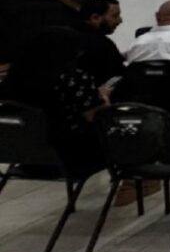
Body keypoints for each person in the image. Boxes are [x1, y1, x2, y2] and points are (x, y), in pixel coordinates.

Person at [0, 26, 108, 177]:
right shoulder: (74, 77)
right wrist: (104, 98)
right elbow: (94, 117)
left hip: (24, 155)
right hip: (72, 156)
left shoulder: (15, 77)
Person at [74, 0, 125, 86]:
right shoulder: (103, 44)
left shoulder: (62, 35)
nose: (120, 20)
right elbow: (117, 76)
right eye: (115, 16)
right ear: (95, 18)